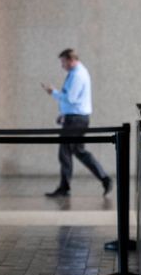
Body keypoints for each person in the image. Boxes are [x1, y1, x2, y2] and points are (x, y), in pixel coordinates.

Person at [41, 49, 112, 197]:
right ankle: (104, 178)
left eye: (63, 62)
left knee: (65, 152)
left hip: (75, 120)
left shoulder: (77, 75)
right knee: (78, 151)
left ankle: (65, 188)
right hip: (76, 118)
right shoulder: (78, 73)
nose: (62, 66)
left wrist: (53, 92)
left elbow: (70, 98)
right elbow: (73, 100)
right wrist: (64, 114)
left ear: (70, 59)